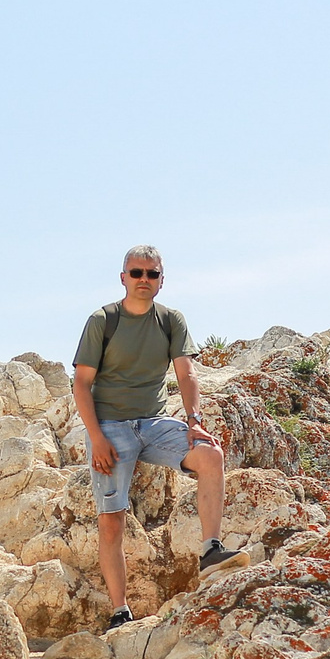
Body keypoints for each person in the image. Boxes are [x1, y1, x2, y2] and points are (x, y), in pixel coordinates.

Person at [72, 245, 235, 631]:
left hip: (154, 423)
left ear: (162, 281)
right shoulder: (103, 321)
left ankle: (211, 549)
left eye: (152, 274)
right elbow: (81, 383)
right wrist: (96, 438)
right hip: (110, 425)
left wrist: (194, 421)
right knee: (112, 521)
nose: (144, 280)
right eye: (137, 273)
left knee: (210, 455)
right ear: (123, 277)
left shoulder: (170, 321)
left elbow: (187, 374)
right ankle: (120, 611)